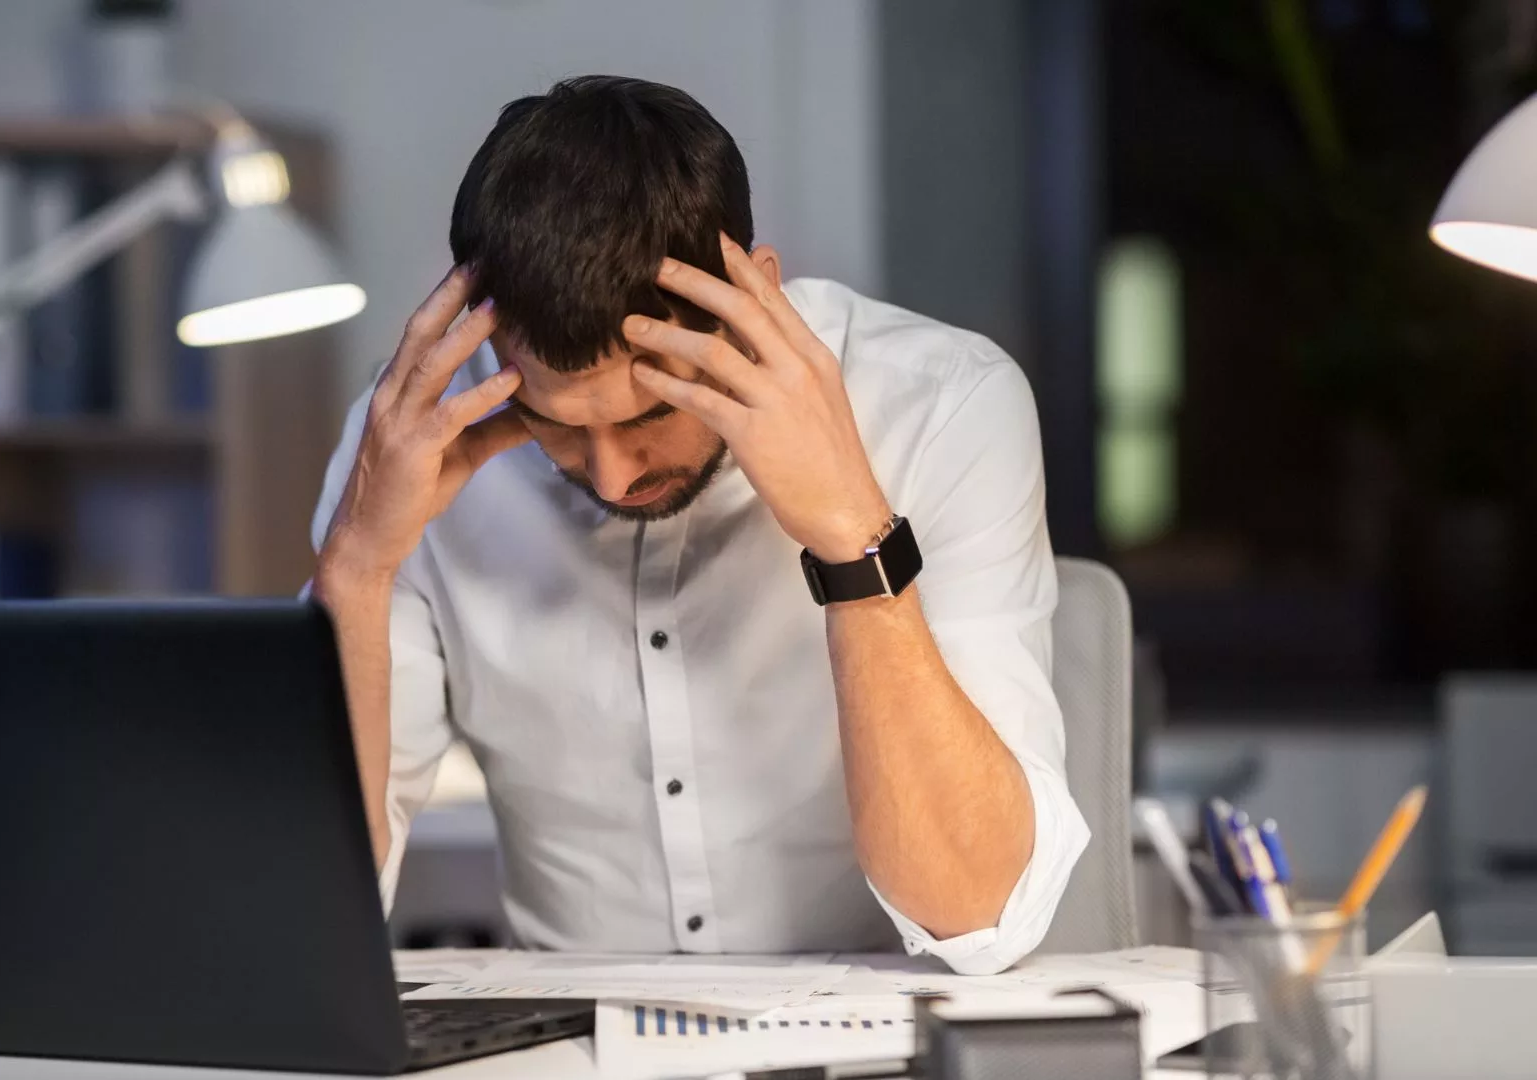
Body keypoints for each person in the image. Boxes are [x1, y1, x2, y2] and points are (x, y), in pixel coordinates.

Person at [309, 75, 1087, 975]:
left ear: (754, 296)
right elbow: (317, 906)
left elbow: (980, 912)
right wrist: (357, 569)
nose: (609, 472)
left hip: (869, 1040)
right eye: (554, 422)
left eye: (649, 416)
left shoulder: (944, 406)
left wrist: (852, 536)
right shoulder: (408, 445)